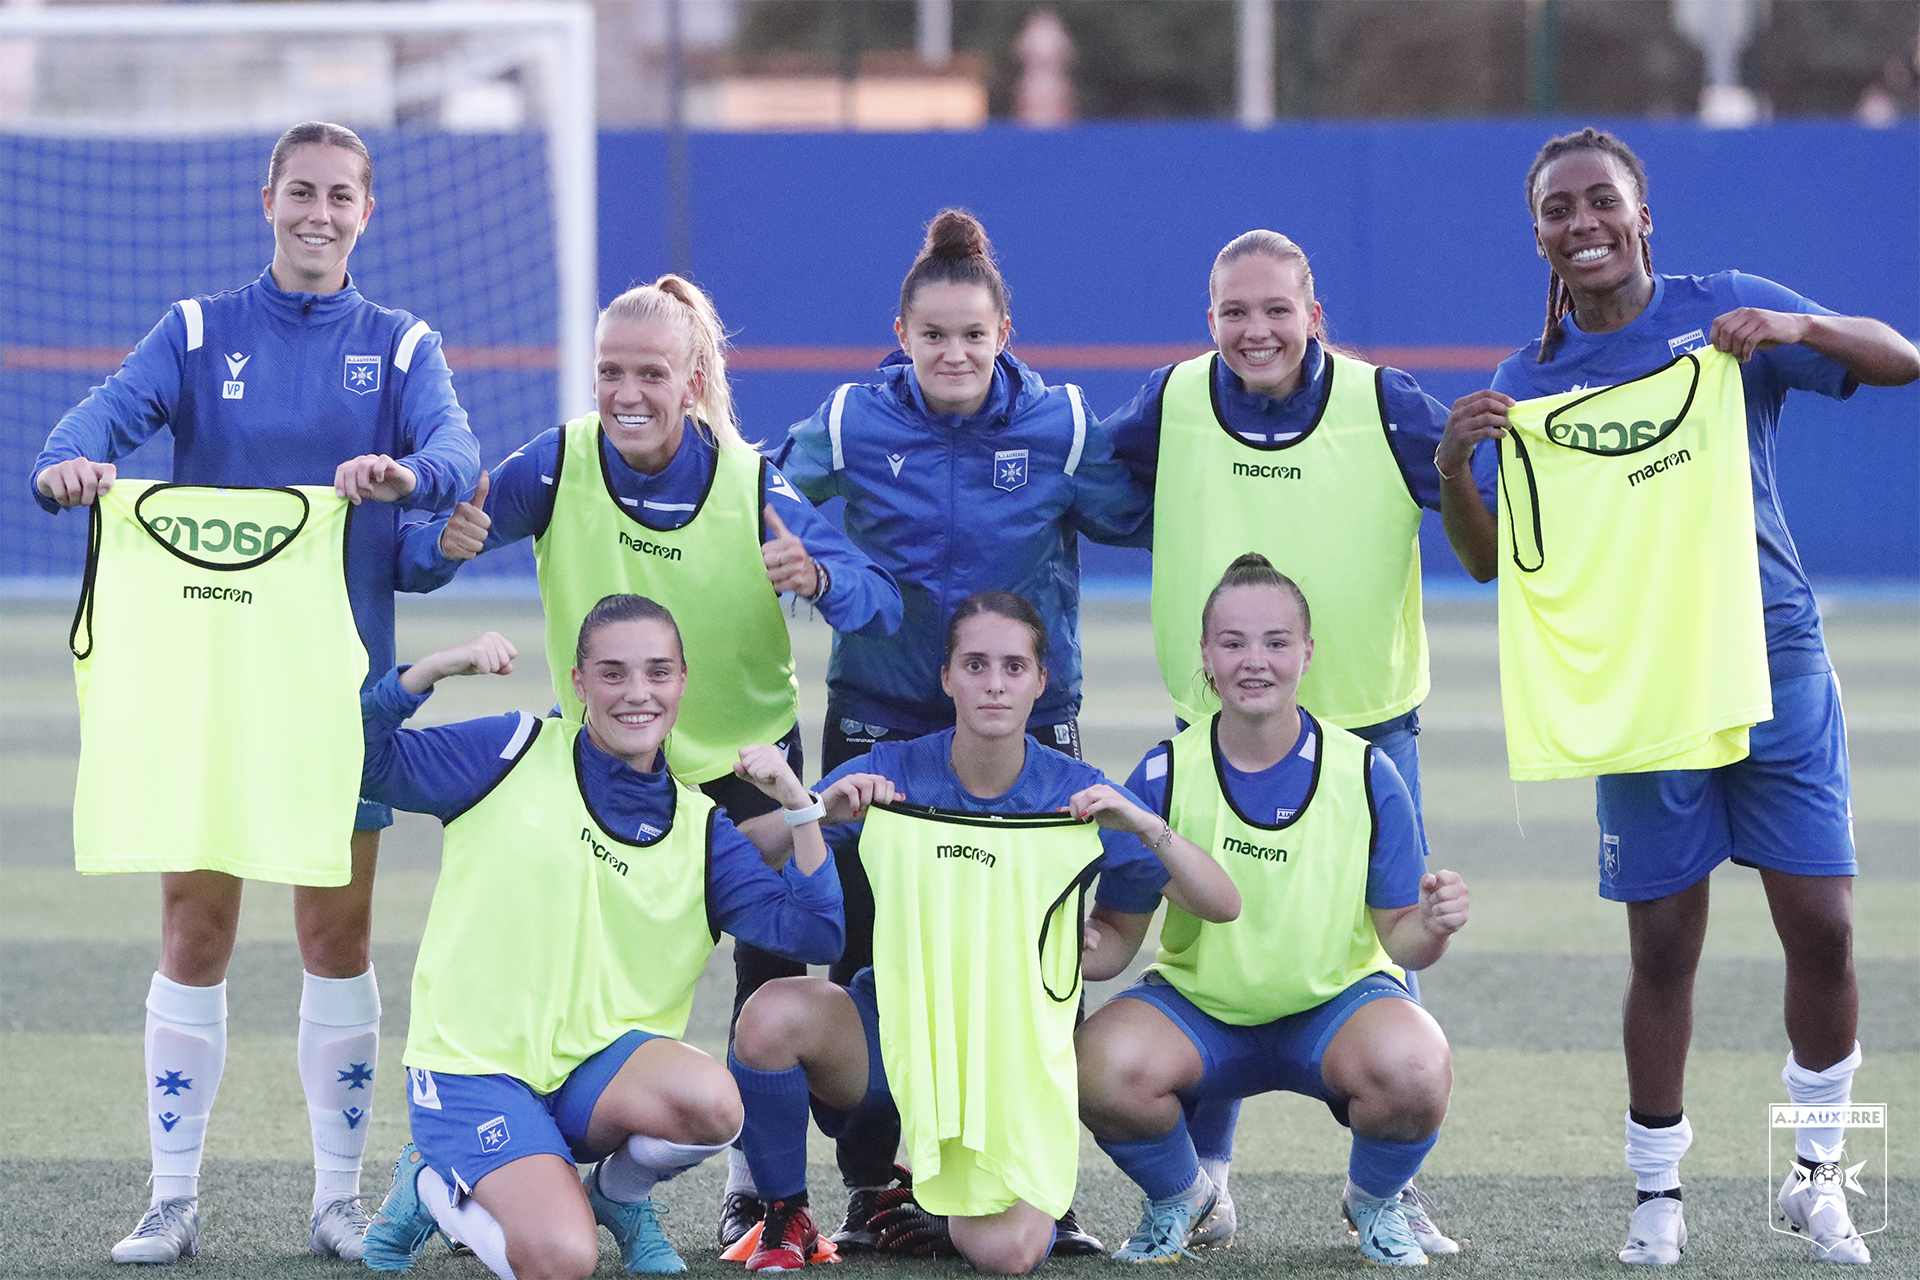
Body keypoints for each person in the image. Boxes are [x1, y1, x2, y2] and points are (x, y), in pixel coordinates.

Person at [1437, 126, 1919, 1267]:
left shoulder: (1728, 315)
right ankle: (1658, 1193)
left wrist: (1795, 326)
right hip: (1643, 687)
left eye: (1602, 201)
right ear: (1540, 235)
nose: (1583, 222)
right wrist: (1457, 469)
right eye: (1559, 209)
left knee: (1828, 928)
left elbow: (1902, 356)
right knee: (1663, 944)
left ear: (1644, 216)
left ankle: (1817, 1178)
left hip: (1775, 660)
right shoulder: (1529, 383)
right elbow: (1488, 561)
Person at [29, 121, 481, 1265]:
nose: (318, 213)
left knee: (337, 932)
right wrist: (70, 463)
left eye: (340, 196)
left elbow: (455, 451)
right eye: (300, 193)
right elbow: (102, 418)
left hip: (339, 690)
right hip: (213, 684)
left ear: (366, 213)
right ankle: (171, 1197)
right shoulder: (195, 330)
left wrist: (405, 477)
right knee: (196, 925)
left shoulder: (403, 341)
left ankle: (336, 1197)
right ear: (266, 200)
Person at [397, 274, 900, 1122]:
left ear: (693, 382)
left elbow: (876, 596)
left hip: (746, 767)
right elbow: (422, 558)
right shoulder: (556, 463)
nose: (627, 393)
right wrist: (444, 548)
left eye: (652, 374)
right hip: (602, 762)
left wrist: (819, 579)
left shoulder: (751, 485)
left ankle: (760, 1189)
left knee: (769, 971)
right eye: (609, 372)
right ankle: (522, 1137)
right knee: (568, 955)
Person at [766, 210, 1151, 1254]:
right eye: (933, 334)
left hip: (1027, 726)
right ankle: (878, 1183)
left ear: (1005, 331)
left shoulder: (1061, 425)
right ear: (900, 330)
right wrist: (828, 569)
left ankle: (1037, 1178)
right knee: (870, 959)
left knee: (1038, 963)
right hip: (881, 717)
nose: (954, 353)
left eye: (974, 334)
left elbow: (1144, 510)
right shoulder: (851, 421)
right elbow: (768, 488)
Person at [1099, 229, 1485, 1252]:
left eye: (1277, 309)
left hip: (1368, 725)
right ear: (1209, 317)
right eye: (1234, 310)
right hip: (1218, 729)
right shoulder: (1172, 401)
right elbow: (1096, 489)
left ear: (1314, 316)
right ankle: (1206, 1181)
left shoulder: (1386, 400)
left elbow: (1478, 510)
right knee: (1211, 947)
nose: (1255, 328)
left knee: (1383, 955)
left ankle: (1390, 1187)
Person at [723, 592, 1240, 1275]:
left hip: (1012, 1067)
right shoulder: (896, 772)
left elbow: (1220, 902)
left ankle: (936, 1196)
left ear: (1039, 681)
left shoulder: (1078, 792)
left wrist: (1146, 827)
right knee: (770, 1017)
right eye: (974, 664)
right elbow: (735, 856)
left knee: (1008, 1255)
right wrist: (810, 808)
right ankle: (786, 1215)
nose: (994, 682)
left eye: (1012, 666)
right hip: (898, 1036)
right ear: (947, 678)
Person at [356, 595, 844, 1280]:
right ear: (579, 682)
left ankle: (617, 1196)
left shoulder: (701, 831)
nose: (637, 693)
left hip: (593, 1075)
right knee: (563, 1259)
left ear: (681, 682)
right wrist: (434, 669)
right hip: (475, 1070)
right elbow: (365, 762)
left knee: (714, 1106)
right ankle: (434, 1186)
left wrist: (798, 803)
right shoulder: (509, 750)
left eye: (657, 673)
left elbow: (817, 931)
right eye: (612, 674)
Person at [1075, 554, 1469, 1268]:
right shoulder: (1163, 775)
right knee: (1097, 1066)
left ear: (1307, 652)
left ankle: (1375, 1202)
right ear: (1205, 654)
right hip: (1202, 1009)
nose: (1254, 660)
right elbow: (1114, 944)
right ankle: (1182, 1198)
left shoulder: (1365, 772)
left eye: (1276, 641)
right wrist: (1059, 937)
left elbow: (1401, 942)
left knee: (1417, 1066)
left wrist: (1435, 927)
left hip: (1335, 1007)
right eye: (1233, 642)